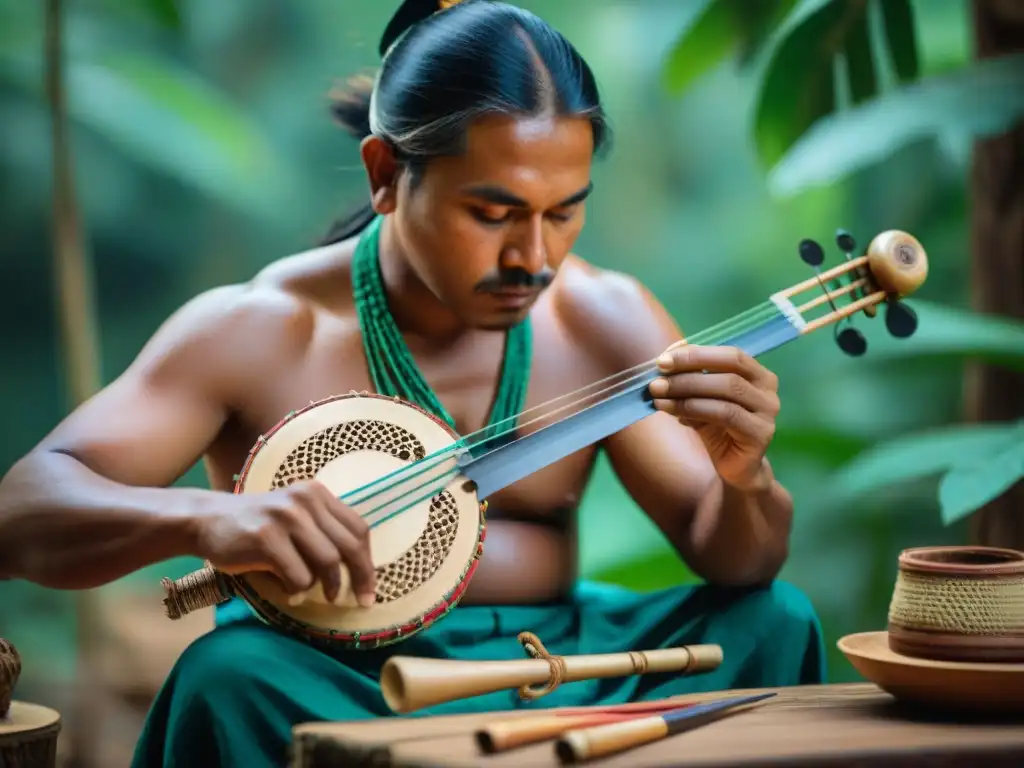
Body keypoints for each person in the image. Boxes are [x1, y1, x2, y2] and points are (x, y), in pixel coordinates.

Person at [0, 0, 826, 765]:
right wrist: (209, 518)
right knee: (232, 673)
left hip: (572, 667)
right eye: (493, 214)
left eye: (565, 211)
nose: (533, 259)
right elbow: (21, 514)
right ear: (385, 173)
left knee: (773, 619)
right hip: (341, 678)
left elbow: (738, 561)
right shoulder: (260, 329)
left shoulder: (603, 319)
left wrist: (743, 475)